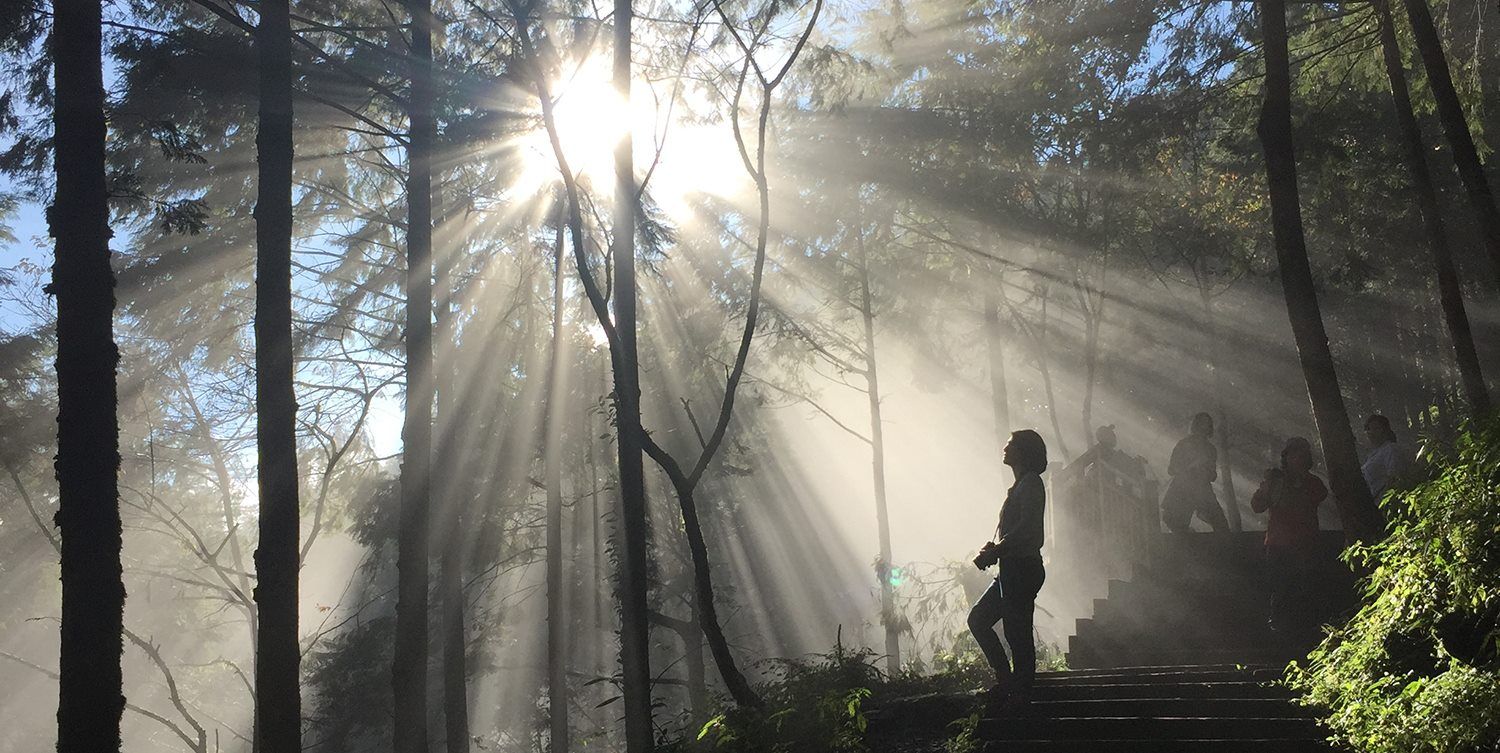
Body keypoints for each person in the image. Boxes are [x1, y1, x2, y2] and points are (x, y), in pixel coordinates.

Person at [968, 429, 1048, 703]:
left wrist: (996, 551)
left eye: (1011, 444)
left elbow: (1029, 531)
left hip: (1023, 568)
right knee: (980, 620)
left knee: (1017, 631)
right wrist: (996, 550)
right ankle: (1008, 679)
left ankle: (1021, 688)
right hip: (1011, 569)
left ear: (1023, 451)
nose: (1005, 447)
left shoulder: (1031, 484)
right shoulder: (1022, 485)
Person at [1250, 437, 1328, 635]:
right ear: (1287, 457)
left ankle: (1305, 625)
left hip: (1305, 542)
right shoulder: (1276, 482)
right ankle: (1278, 625)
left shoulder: (1312, 482)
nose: (1298, 458)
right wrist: (1269, 485)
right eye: (1294, 454)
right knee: (1280, 585)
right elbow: (1257, 505)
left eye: (1302, 453)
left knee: (1306, 585)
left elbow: (1317, 496)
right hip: (1279, 543)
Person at [1161, 412, 1230, 533]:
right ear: (1196, 425)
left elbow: (1212, 475)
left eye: (1207, 424)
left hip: (1202, 490)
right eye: (1201, 424)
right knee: (1176, 524)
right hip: (1182, 490)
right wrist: (1190, 467)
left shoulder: (1210, 449)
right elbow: (1172, 469)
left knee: (1221, 525)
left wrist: (1206, 471)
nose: (1204, 427)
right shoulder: (1182, 445)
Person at [1361, 414, 1407, 501]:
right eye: (1369, 429)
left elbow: (1395, 477)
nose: (1371, 432)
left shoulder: (1391, 449)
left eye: (1376, 428)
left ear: (1385, 430)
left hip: (1385, 502)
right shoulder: (1371, 455)